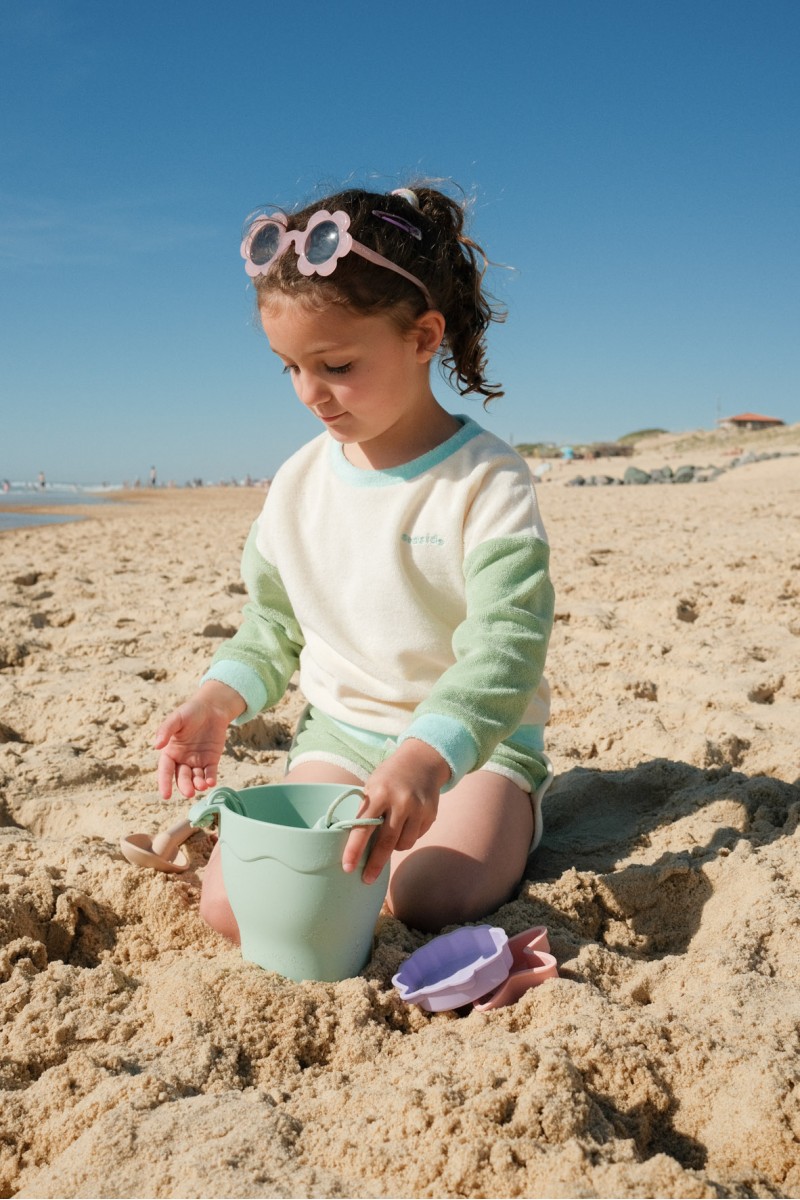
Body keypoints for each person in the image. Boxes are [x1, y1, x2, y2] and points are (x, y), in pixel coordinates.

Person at [154, 183, 555, 935]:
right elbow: (272, 625)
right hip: (339, 739)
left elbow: (508, 647)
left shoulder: (486, 480)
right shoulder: (299, 483)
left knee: (433, 896)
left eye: (336, 365)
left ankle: (518, 809)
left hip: (467, 747)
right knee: (232, 911)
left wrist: (425, 759)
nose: (311, 393)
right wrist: (217, 701)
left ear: (422, 337)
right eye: (290, 368)